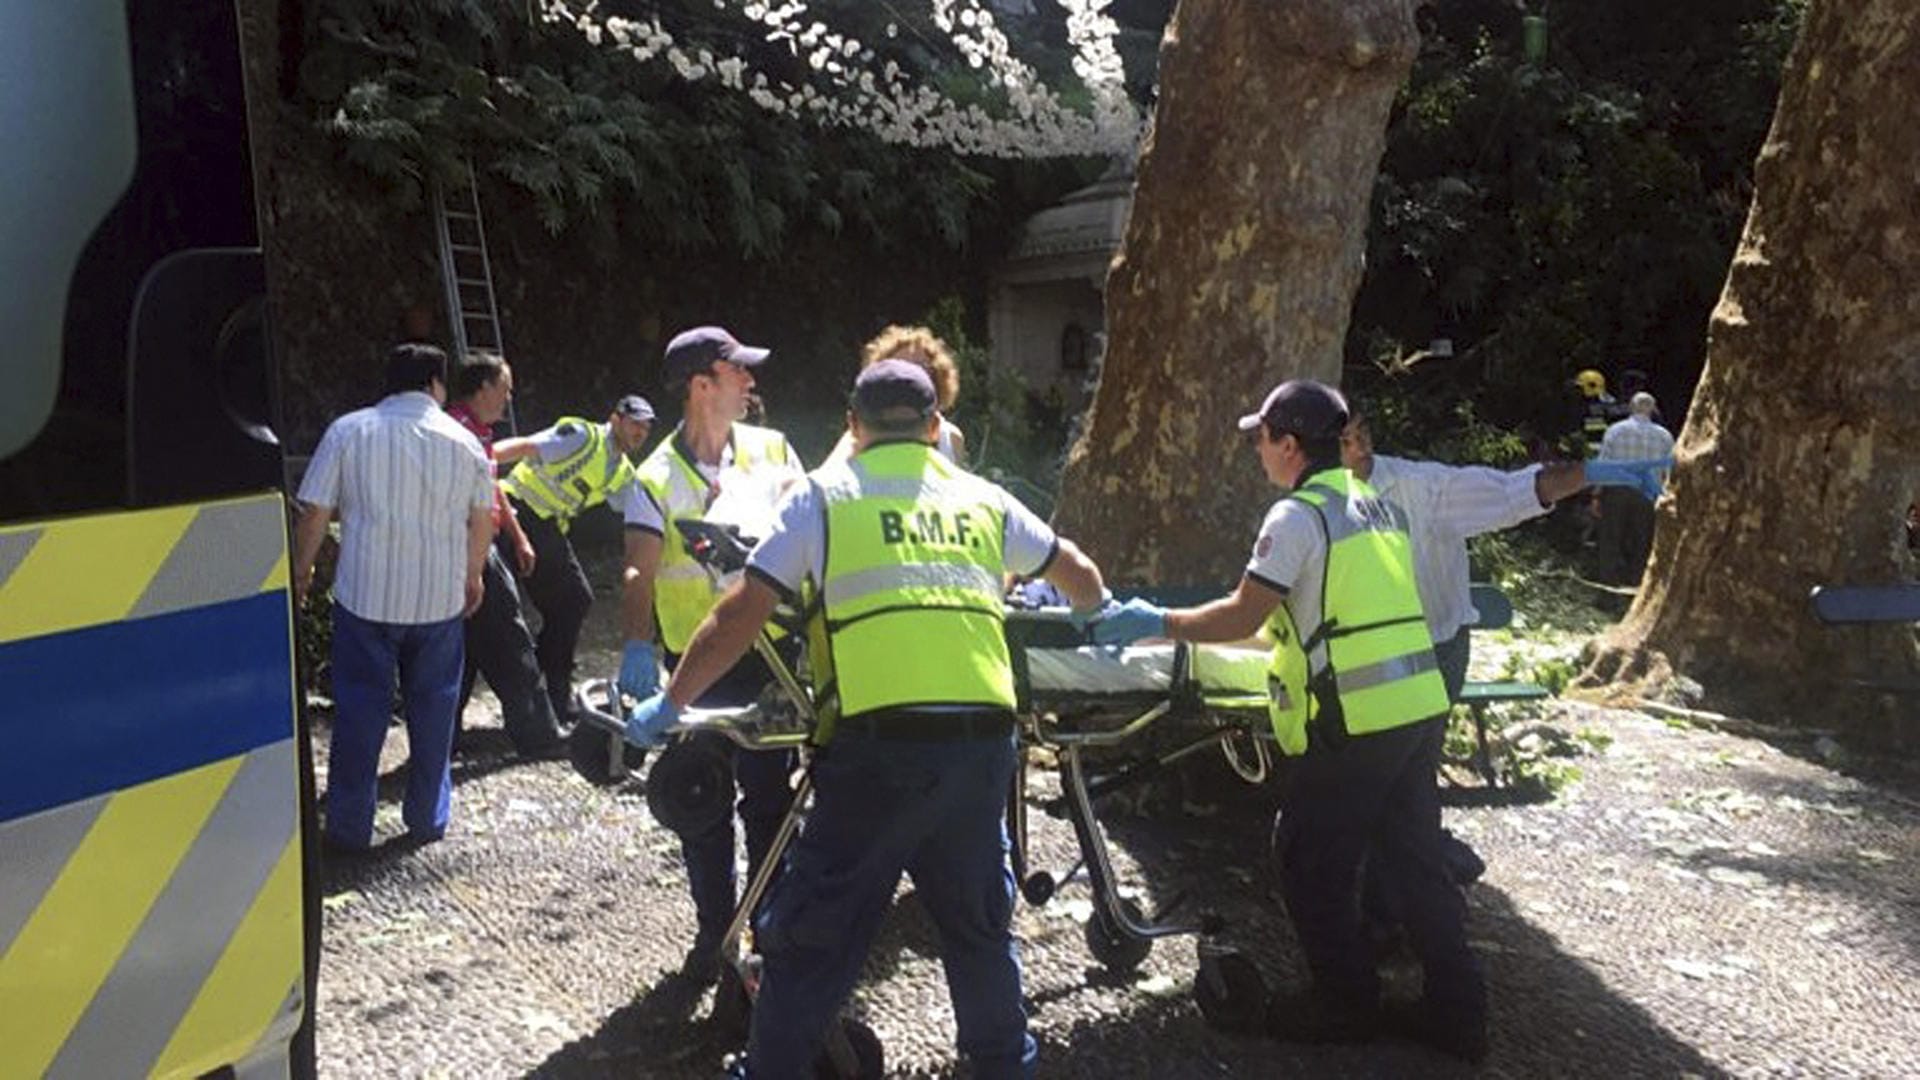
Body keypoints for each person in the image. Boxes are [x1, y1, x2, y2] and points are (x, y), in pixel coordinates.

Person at [623, 360, 1109, 1077]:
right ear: (936, 427)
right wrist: (1104, 616)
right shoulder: (983, 498)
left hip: (879, 752)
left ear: (852, 425)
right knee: (978, 930)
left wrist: (672, 701)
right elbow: (1083, 580)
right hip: (981, 750)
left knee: (813, 935)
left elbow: (739, 615)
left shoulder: (823, 497)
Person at [1092, 380, 1487, 1062]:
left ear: (1292, 445)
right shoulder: (1375, 504)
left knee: (1308, 859)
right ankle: (1459, 1014)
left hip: (1356, 718)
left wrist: (1154, 623)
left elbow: (1245, 613)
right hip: (1418, 704)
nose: (1257, 451)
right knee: (1415, 861)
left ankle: (1345, 1003)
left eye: (1262, 438)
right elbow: (1324, 613)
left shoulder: (1297, 516)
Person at [618, 325, 806, 980]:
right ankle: (714, 934)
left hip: (770, 658)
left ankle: (769, 932)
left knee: (770, 801)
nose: (752, 382)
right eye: (738, 373)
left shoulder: (774, 449)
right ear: (703, 386)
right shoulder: (654, 477)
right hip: (695, 666)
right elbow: (639, 570)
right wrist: (637, 647)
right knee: (702, 800)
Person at [291, 342, 495, 852]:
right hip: (439, 600)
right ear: (435, 383)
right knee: (434, 713)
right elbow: (482, 517)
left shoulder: (349, 431)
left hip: (366, 598)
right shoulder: (464, 441)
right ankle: (426, 818)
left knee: (360, 715)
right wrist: (473, 576)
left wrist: (301, 571)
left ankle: (348, 827)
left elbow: (314, 510)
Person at [1340, 409, 1666, 699]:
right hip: (1352, 659)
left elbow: (1508, 493)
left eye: (1363, 432)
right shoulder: (1307, 502)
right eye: (1345, 441)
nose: (1361, 447)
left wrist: (1588, 474)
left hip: (1432, 652)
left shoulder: (1421, 486)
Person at [493, 394, 655, 723]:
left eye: (646, 427)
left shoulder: (623, 471)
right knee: (490, 612)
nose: (640, 431)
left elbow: (641, 512)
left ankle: (549, 691)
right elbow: (526, 447)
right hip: (514, 509)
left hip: (545, 524)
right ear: (614, 419)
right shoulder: (582, 436)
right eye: (634, 423)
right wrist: (480, 462)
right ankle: (544, 691)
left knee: (573, 600)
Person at [445, 354, 566, 759]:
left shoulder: (476, 432)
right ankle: (539, 736)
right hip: (470, 548)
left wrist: (518, 535)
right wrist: (479, 562)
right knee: (510, 640)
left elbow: (493, 489)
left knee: (465, 645)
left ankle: (444, 737)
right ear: (482, 389)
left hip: (477, 545)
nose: (509, 398)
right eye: (504, 388)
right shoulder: (458, 433)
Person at [825, 324, 968, 466]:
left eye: (921, 367)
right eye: (899, 365)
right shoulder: (860, 435)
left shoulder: (951, 437)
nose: (908, 375)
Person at [1596, 391, 1675, 584]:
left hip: (1617, 490)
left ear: (1631, 407)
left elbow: (1604, 464)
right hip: (1647, 492)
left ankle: (1609, 581)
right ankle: (1636, 581)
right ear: (1653, 410)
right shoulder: (1665, 436)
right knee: (1642, 539)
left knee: (1611, 538)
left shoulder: (1615, 430)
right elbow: (1668, 471)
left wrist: (1596, 494)